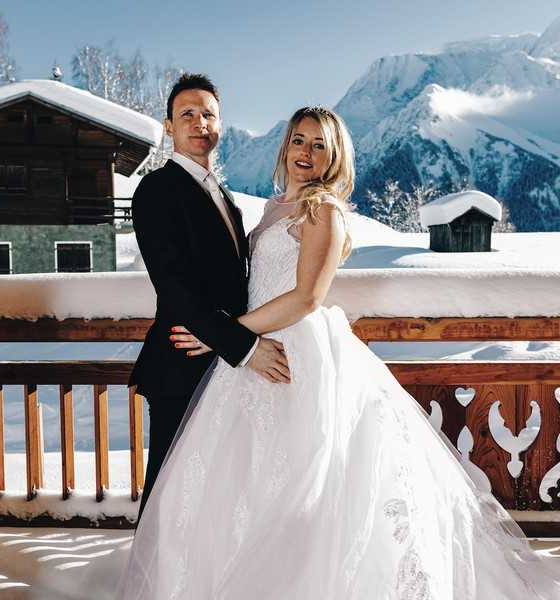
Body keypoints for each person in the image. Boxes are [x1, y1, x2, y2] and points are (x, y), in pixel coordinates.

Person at [118, 106, 560, 598]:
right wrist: (234, 338)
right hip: (251, 351)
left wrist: (227, 333)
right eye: (299, 140)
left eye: (319, 144)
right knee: (236, 482)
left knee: (310, 479)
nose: (306, 152)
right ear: (285, 146)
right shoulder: (272, 208)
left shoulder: (323, 209)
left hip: (294, 349)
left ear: (334, 157)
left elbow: (307, 296)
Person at [128, 73, 289, 522]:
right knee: (168, 492)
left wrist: (226, 338)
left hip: (219, 362)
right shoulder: (157, 189)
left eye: (209, 114)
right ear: (168, 126)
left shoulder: (224, 195)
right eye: (187, 114)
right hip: (182, 360)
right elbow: (174, 287)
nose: (200, 122)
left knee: (215, 498)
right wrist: (242, 345)